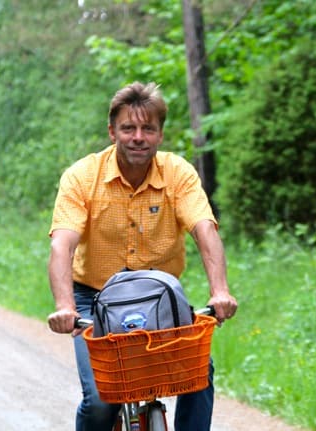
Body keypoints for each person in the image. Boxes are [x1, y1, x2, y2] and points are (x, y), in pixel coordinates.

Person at [46, 81, 238, 431]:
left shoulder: (178, 173)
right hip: (93, 298)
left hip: (160, 297)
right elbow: (62, 244)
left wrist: (220, 291)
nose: (138, 137)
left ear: (160, 134)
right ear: (112, 131)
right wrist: (65, 307)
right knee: (102, 400)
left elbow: (205, 231)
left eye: (148, 128)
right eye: (128, 128)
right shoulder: (81, 177)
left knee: (198, 373)